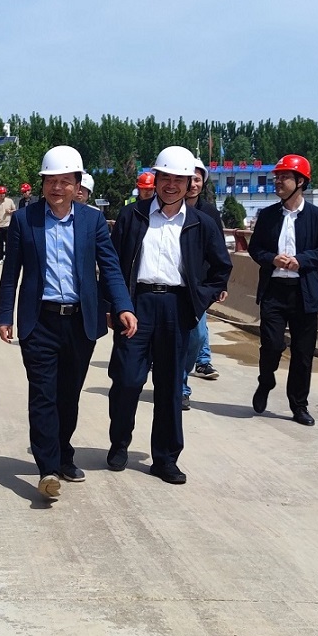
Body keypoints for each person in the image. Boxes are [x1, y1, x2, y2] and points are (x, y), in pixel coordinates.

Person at [0, 147, 135, 501]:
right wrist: (4, 315)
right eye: (50, 181)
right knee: (43, 395)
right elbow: (11, 272)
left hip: (79, 322)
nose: (57, 188)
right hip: (39, 321)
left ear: (77, 184)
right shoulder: (25, 220)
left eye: (64, 181)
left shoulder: (92, 221)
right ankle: (47, 468)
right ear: (42, 184)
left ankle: (63, 454)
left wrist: (123, 306)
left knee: (68, 396)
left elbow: (111, 268)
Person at [106, 146, 232, 485]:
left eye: (179, 179)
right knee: (127, 379)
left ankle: (165, 458)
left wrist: (198, 301)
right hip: (136, 306)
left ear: (191, 183)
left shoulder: (201, 224)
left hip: (177, 308)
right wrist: (114, 305)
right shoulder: (132, 216)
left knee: (170, 386)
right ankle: (119, 443)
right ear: (156, 179)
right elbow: (112, 264)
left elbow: (221, 269)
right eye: (165, 178)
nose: (171, 185)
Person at [248, 154, 318, 426]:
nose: (278, 182)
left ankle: (299, 405)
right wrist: (272, 259)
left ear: (300, 182)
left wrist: (302, 260)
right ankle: (266, 381)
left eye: (284, 177)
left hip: (304, 292)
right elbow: (255, 248)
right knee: (271, 345)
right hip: (274, 290)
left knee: (303, 352)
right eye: (277, 177)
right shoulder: (267, 216)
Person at [182, 158, 225, 403]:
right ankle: (179, 388)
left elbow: (219, 252)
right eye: (189, 179)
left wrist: (220, 284)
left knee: (197, 336)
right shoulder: (167, 209)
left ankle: (182, 376)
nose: (193, 184)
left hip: (199, 287)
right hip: (170, 285)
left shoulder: (209, 213)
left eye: (197, 180)